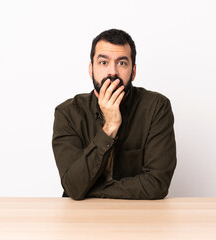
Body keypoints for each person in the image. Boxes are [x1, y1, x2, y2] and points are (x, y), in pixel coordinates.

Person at [52, 29, 176, 200]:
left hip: (136, 216)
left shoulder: (157, 108)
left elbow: (157, 184)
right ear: (91, 69)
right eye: (103, 62)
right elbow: (73, 186)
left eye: (122, 63)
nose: (113, 72)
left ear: (133, 71)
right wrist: (109, 127)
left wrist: (92, 191)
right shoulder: (68, 113)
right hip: (81, 217)